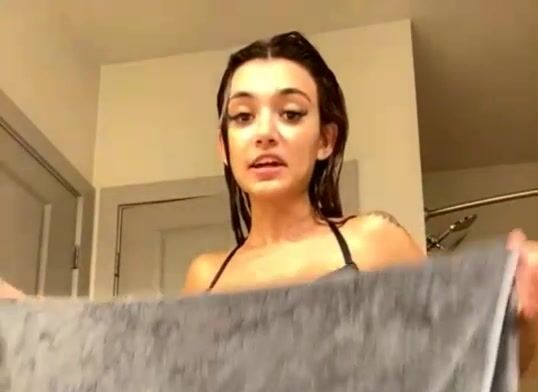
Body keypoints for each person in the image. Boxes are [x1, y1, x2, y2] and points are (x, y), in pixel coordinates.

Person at [1, 32, 537, 373]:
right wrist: (31, 318)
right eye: (243, 116)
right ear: (224, 146)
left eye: (291, 113)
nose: (264, 133)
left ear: (325, 140)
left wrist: (526, 318)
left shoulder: (373, 242)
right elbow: (153, 383)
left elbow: (468, 376)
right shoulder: (205, 275)